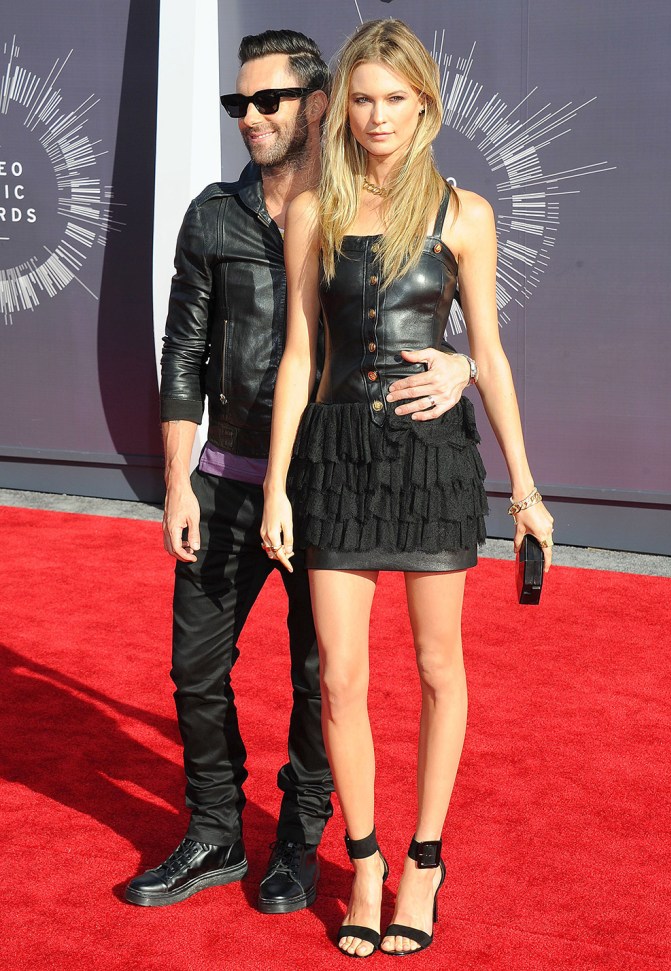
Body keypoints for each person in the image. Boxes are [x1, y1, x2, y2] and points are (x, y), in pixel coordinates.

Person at [125, 28, 472, 915]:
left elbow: (422, 314)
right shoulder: (211, 214)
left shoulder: (367, 205)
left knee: (323, 678)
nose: (249, 117)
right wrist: (174, 479)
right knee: (195, 669)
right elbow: (181, 354)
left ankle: (299, 839)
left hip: (325, 479)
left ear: (317, 105)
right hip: (223, 477)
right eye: (237, 104)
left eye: (267, 100)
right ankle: (212, 832)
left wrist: (462, 365)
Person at [261, 17, 554, 957]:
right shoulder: (311, 209)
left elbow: (494, 356)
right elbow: (303, 354)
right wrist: (277, 486)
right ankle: (368, 858)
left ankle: (425, 858)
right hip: (337, 460)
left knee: (437, 668)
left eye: (396, 99)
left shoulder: (464, 214)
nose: (379, 116)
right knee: (339, 680)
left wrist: (526, 489)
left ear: (425, 106)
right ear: (340, 107)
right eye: (363, 98)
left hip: (432, 461)